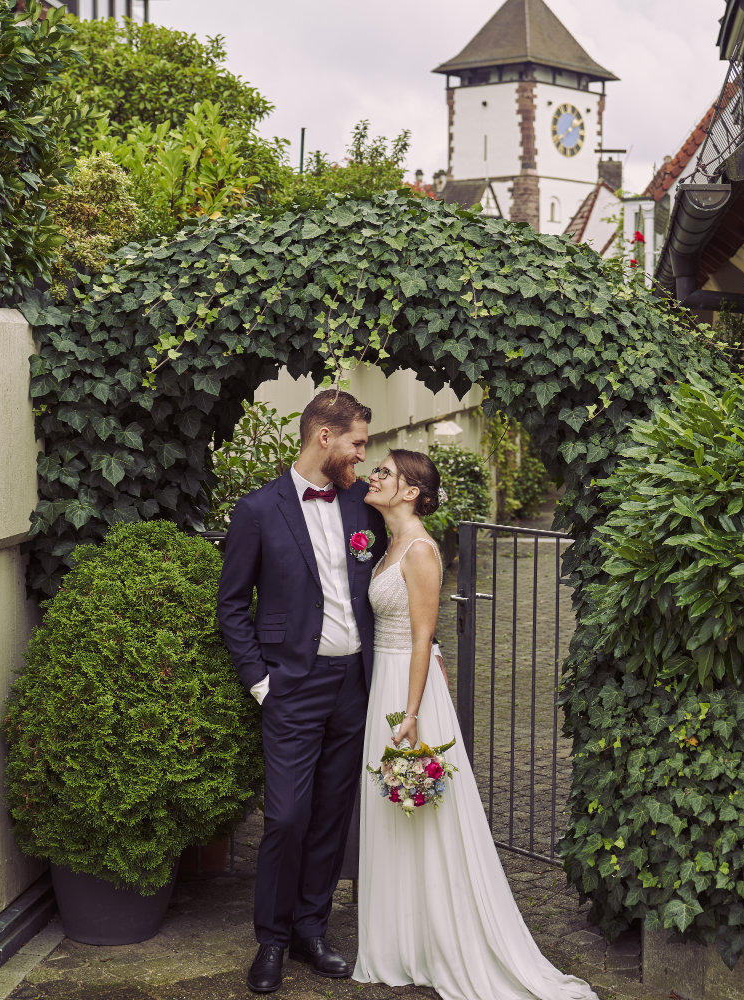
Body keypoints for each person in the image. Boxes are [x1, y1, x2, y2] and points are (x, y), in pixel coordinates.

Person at [352, 448, 597, 1000]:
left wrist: (410, 714)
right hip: (386, 681)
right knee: (392, 816)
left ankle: (443, 939)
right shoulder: (388, 542)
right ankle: (400, 943)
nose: (374, 476)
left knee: (426, 818)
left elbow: (423, 637)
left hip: (409, 691)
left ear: (411, 491)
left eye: (385, 472)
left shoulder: (420, 549)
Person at [217, 389, 387, 995]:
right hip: (292, 686)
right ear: (324, 437)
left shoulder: (362, 506)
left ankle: (311, 931)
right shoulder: (258, 510)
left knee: (332, 814)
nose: (362, 456)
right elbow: (232, 605)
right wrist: (261, 683)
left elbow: (389, 577)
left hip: (353, 683)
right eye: (357, 443)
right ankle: (271, 939)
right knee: (287, 816)